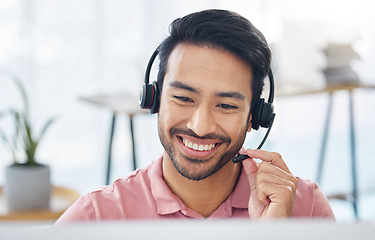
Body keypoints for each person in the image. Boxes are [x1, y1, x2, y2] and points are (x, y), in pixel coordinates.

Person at [56, 9, 334, 223]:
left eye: (226, 105)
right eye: (183, 98)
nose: (200, 127)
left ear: (255, 117)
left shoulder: (304, 208)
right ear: (154, 100)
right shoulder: (95, 218)